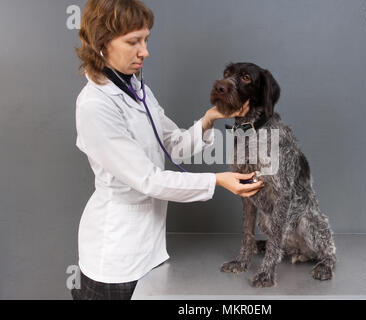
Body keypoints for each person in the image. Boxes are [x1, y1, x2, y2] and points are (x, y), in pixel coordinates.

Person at [71, 0, 264, 300]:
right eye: (133, 42)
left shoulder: (137, 89)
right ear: (102, 43)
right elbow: (148, 179)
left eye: (146, 40)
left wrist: (209, 119)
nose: (144, 51)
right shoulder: (95, 105)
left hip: (149, 250)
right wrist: (216, 180)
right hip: (114, 260)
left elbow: (172, 143)